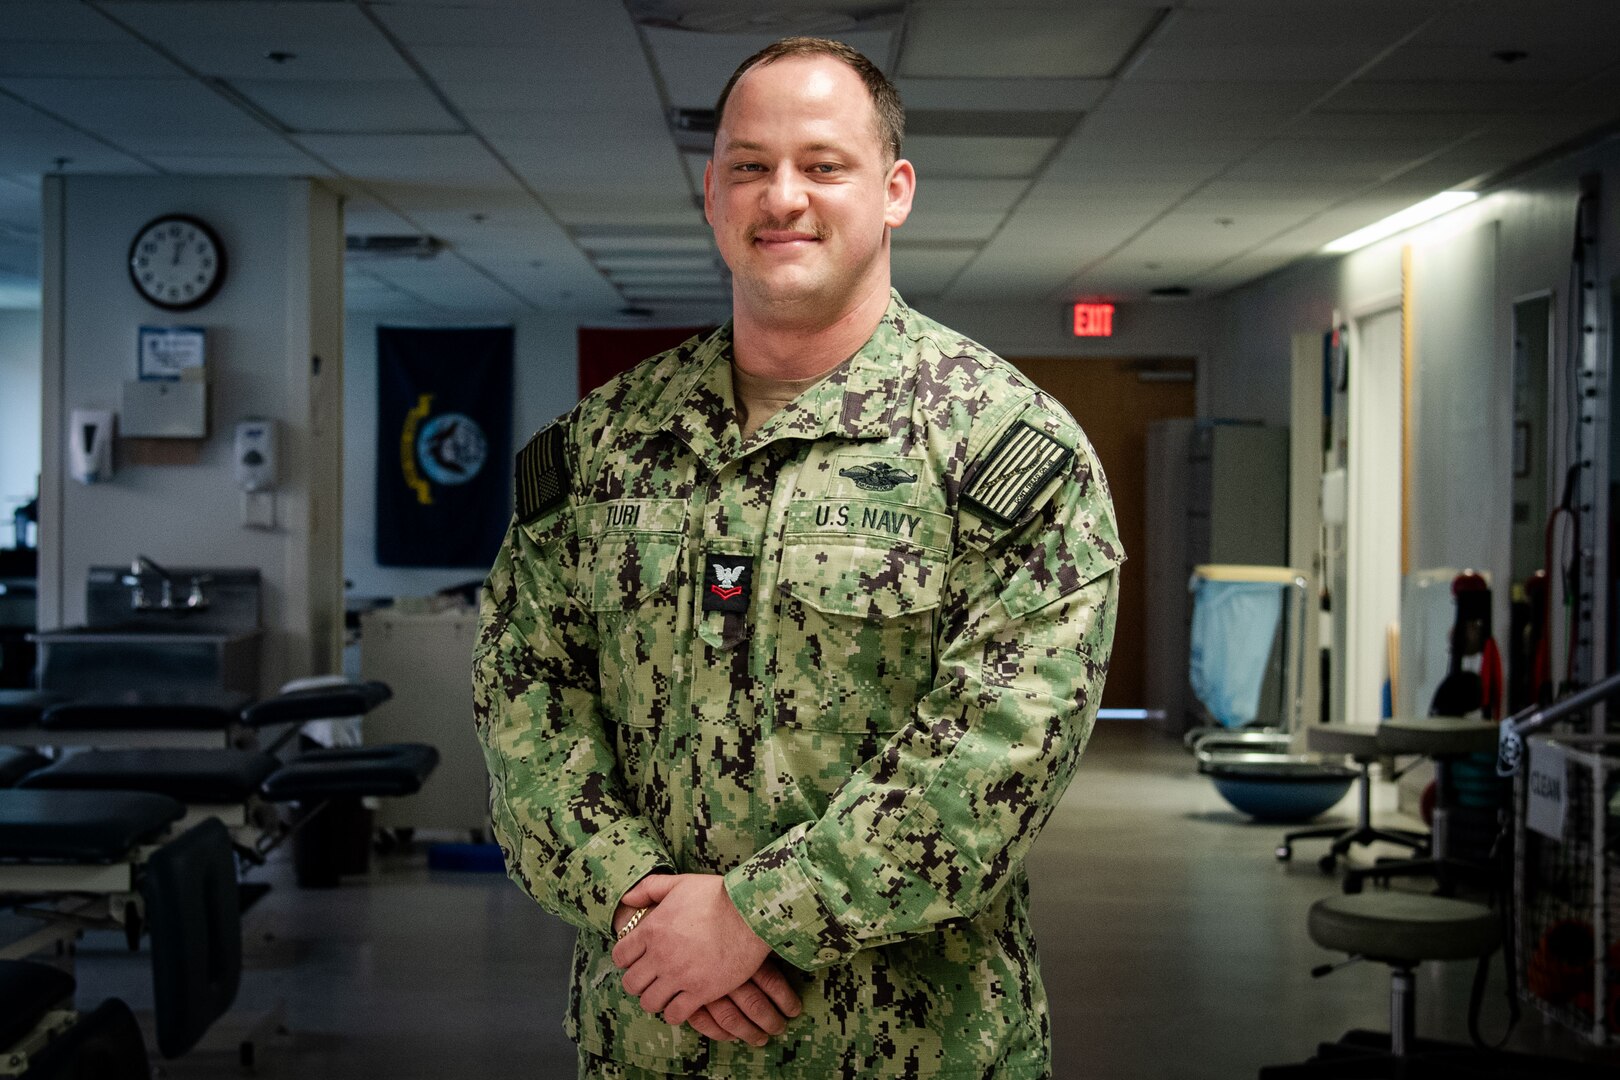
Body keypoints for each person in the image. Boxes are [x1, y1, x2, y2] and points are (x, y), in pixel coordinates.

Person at [473, 36, 1122, 1080]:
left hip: (913, 1050)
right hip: (653, 1037)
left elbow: (1004, 752)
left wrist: (754, 918)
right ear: (712, 193)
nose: (783, 197)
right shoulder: (598, 448)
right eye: (749, 165)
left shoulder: (1003, 450)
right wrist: (635, 900)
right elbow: (524, 695)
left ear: (894, 190)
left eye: (824, 164)